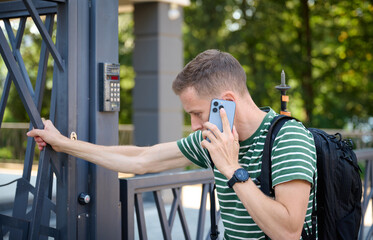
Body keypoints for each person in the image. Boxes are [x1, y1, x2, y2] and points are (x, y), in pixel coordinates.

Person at [28, 49, 317, 239]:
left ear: (226, 103)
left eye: (197, 113)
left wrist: (232, 170)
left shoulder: (288, 138)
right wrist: (64, 144)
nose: (193, 125)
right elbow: (141, 159)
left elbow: (288, 232)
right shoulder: (212, 140)